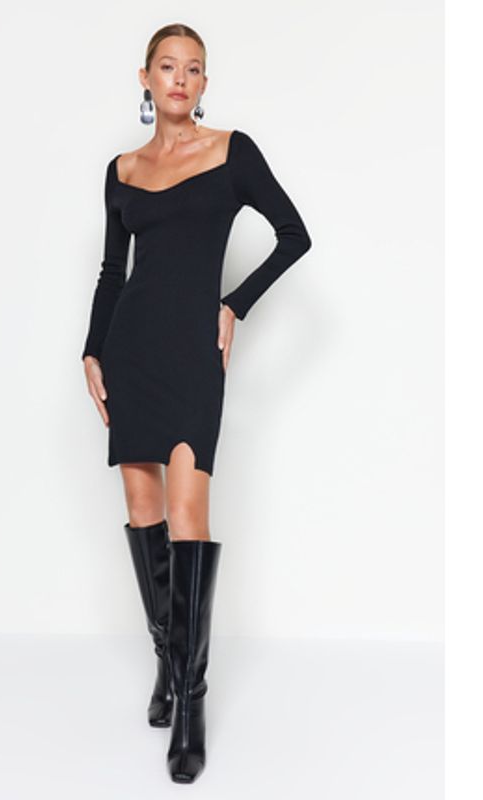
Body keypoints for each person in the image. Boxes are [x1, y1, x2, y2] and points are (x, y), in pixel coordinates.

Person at [80, 23, 312, 784]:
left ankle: (192, 701)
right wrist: (92, 351)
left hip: (191, 356)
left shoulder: (231, 153)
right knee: (142, 508)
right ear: (145, 78)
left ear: (204, 84)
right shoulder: (121, 171)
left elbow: (293, 235)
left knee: (188, 514)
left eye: (194, 69)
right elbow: (113, 273)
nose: (180, 79)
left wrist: (234, 304)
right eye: (168, 67)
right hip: (130, 351)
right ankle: (168, 661)